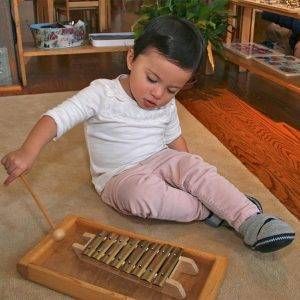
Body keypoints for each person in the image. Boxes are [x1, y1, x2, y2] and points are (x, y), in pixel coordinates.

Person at [1, 16, 295, 253]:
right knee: (143, 197)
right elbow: (56, 118)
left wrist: (189, 169)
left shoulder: (165, 102)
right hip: (118, 176)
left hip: (160, 157)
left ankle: (248, 218)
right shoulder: (101, 93)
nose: (158, 94)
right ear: (131, 59)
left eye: (171, 90)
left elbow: (176, 141)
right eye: (152, 79)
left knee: (195, 167)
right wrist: (28, 152)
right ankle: (213, 208)